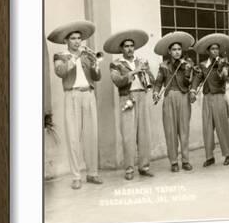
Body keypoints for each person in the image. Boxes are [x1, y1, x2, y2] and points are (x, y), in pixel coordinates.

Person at [47, 20, 102, 189]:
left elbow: (97, 77)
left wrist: (96, 64)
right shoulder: (60, 56)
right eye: (73, 38)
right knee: (73, 136)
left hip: (89, 94)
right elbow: (61, 72)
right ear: (66, 41)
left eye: (79, 38)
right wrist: (75, 58)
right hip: (72, 95)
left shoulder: (87, 55)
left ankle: (92, 173)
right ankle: (76, 176)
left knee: (92, 135)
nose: (77, 41)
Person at [104, 29, 156, 180]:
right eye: (126, 46)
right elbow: (118, 81)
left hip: (142, 95)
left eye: (131, 45)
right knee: (128, 136)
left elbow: (151, 81)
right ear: (121, 49)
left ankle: (144, 167)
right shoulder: (115, 64)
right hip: (127, 97)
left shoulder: (141, 61)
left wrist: (146, 72)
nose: (129, 48)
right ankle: (129, 169)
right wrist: (133, 73)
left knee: (144, 134)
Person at [153, 31, 195, 172]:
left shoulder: (188, 63)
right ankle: (173, 162)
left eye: (179, 49)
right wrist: (155, 93)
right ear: (169, 52)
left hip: (183, 96)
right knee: (170, 131)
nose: (177, 52)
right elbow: (158, 82)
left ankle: (185, 160)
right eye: (174, 50)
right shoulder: (164, 66)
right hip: (169, 96)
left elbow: (188, 82)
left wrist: (187, 70)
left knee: (184, 130)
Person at [190, 33, 229, 167]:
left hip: (219, 97)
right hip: (207, 98)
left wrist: (222, 69)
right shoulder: (203, 65)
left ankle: (227, 154)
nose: (215, 51)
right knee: (207, 128)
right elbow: (198, 78)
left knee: (222, 127)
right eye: (212, 49)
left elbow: (224, 78)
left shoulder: (223, 63)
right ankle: (209, 156)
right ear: (208, 51)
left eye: (217, 49)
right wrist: (193, 90)